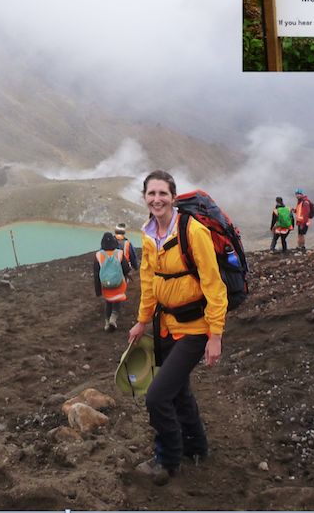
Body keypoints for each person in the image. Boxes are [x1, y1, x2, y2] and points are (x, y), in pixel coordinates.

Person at [128, 170, 228, 482]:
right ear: (145, 197)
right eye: (151, 194)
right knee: (178, 391)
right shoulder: (148, 233)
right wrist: (142, 320)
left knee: (156, 396)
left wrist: (216, 334)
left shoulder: (192, 231)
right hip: (165, 325)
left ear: (173, 196)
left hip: (196, 328)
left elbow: (214, 284)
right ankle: (197, 446)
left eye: (163, 193)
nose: (157, 199)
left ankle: (168, 459)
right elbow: (148, 280)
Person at [94, 232, 131, 332]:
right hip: (119, 284)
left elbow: (96, 274)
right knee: (118, 300)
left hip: (105, 285)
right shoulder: (119, 253)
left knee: (108, 302)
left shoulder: (98, 255)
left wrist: (98, 291)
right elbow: (127, 268)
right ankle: (113, 319)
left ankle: (107, 323)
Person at [294, 189, 312, 253]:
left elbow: (306, 214)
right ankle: (302, 246)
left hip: (302, 222)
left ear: (302, 195)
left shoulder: (304, 203)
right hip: (301, 222)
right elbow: (300, 211)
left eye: (299, 194)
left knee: (300, 235)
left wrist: (303, 224)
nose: (297, 196)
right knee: (301, 235)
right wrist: (295, 210)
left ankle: (299, 247)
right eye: (296, 194)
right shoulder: (301, 202)